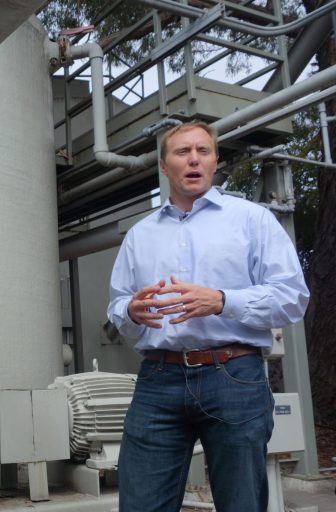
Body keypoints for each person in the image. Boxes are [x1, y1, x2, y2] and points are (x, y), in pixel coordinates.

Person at [106, 121, 309, 512]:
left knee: (241, 503)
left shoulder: (252, 220)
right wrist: (130, 310)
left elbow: (292, 298)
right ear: (164, 167)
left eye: (203, 151)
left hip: (233, 375)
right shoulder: (140, 234)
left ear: (215, 161)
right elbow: (117, 307)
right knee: (140, 504)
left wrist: (221, 301)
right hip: (157, 379)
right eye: (182, 152)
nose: (194, 159)